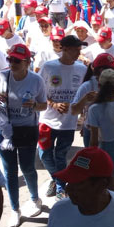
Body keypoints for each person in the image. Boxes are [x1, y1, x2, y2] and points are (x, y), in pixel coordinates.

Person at [0, 44, 47, 227]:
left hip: (27, 129)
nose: (12, 63)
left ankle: (35, 199)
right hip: (4, 130)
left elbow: (43, 105)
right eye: (10, 59)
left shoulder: (36, 80)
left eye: (17, 61)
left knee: (27, 167)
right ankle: (15, 209)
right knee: (9, 171)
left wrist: (33, 106)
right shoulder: (1, 77)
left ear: (27, 62)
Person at [39, 35, 89, 200]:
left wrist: (84, 117)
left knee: (60, 155)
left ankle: (60, 187)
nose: (78, 52)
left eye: (80, 49)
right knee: (44, 155)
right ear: (64, 49)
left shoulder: (82, 69)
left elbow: (86, 94)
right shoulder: (48, 67)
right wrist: (53, 104)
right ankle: (57, 178)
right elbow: (37, 91)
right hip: (47, 120)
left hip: (69, 122)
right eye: (75, 49)